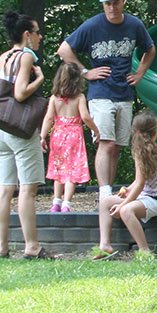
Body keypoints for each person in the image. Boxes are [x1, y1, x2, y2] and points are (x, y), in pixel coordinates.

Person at [57, 0, 155, 199]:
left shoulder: (134, 25)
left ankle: (109, 190)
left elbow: (150, 48)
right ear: (103, 4)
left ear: (123, 1)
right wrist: (85, 72)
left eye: (115, 3)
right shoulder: (92, 26)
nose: (112, 8)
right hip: (100, 92)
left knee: (117, 146)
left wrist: (139, 73)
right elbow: (64, 49)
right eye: (107, 4)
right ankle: (103, 192)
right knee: (106, 142)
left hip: (125, 92)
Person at [0, 11, 51, 258]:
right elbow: (20, 93)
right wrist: (39, 79)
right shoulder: (26, 57)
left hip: (1, 130)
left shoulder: (4, 57)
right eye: (37, 32)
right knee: (27, 189)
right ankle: (32, 246)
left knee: (4, 188)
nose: (40, 36)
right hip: (20, 131)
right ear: (27, 35)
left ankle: (2, 247)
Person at [93, 112, 157, 260]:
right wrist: (128, 189)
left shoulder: (151, 151)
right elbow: (140, 181)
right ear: (154, 132)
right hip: (144, 196)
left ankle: (144, 250)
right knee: (105, 202)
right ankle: (105, 245)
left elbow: (141, 184)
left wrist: (123, 205)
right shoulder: (141, 150)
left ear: (134, 131)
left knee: (126, 211)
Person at [40, 63, 98, 213]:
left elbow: (49, 118)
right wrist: (96, 131)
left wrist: (42, 136)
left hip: (57, 134)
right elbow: (85, 116)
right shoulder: (79, 97)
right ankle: (66, 203)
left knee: (58, 168)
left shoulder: (54, 98)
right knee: (72, 170)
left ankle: (56, 202)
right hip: (74, 136)